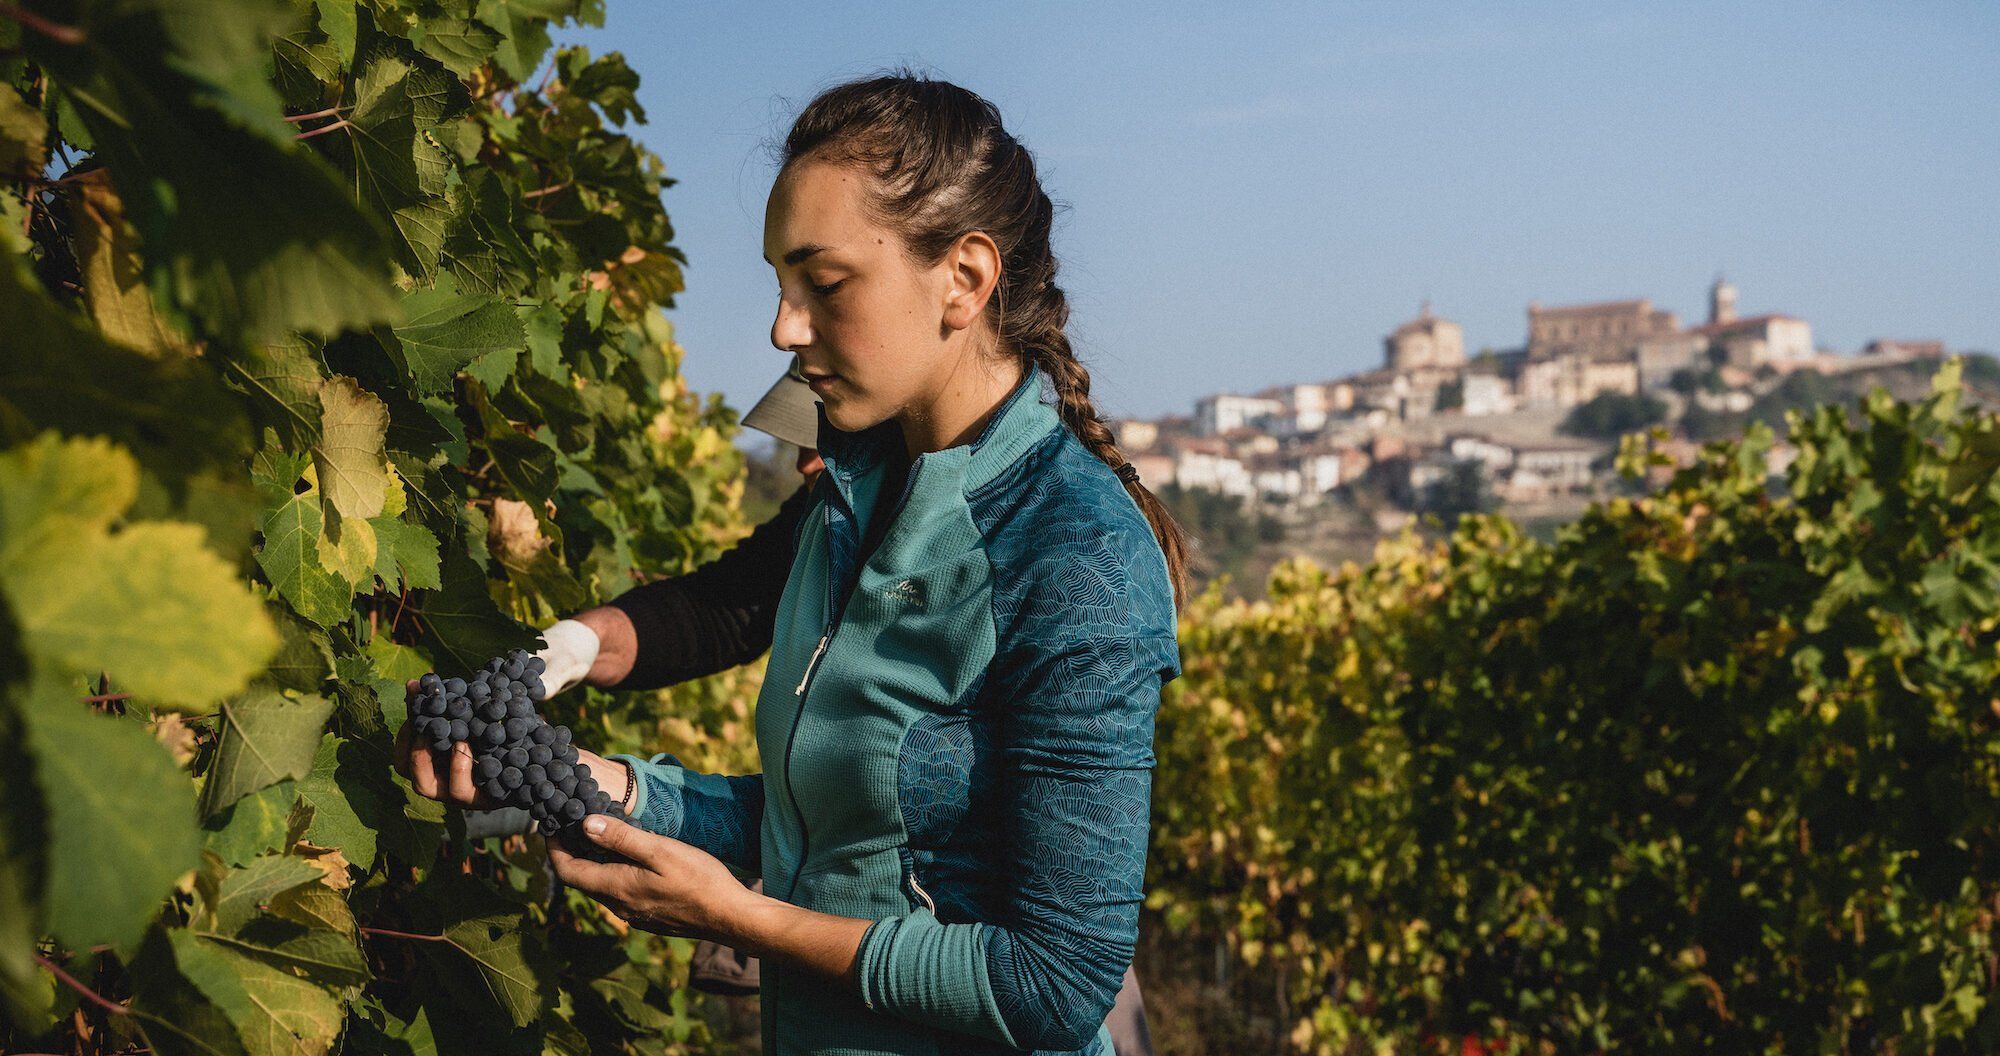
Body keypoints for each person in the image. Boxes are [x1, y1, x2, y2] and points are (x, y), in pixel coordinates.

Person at [400, 71, 1188, 1056]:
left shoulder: (1076, 555)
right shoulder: (854, 478)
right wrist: (609, 775)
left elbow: (1055, 984)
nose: (782, 328)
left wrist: (739, 919)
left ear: (966, 278)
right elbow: (827, 806)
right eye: (780, 284)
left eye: (824, 284)